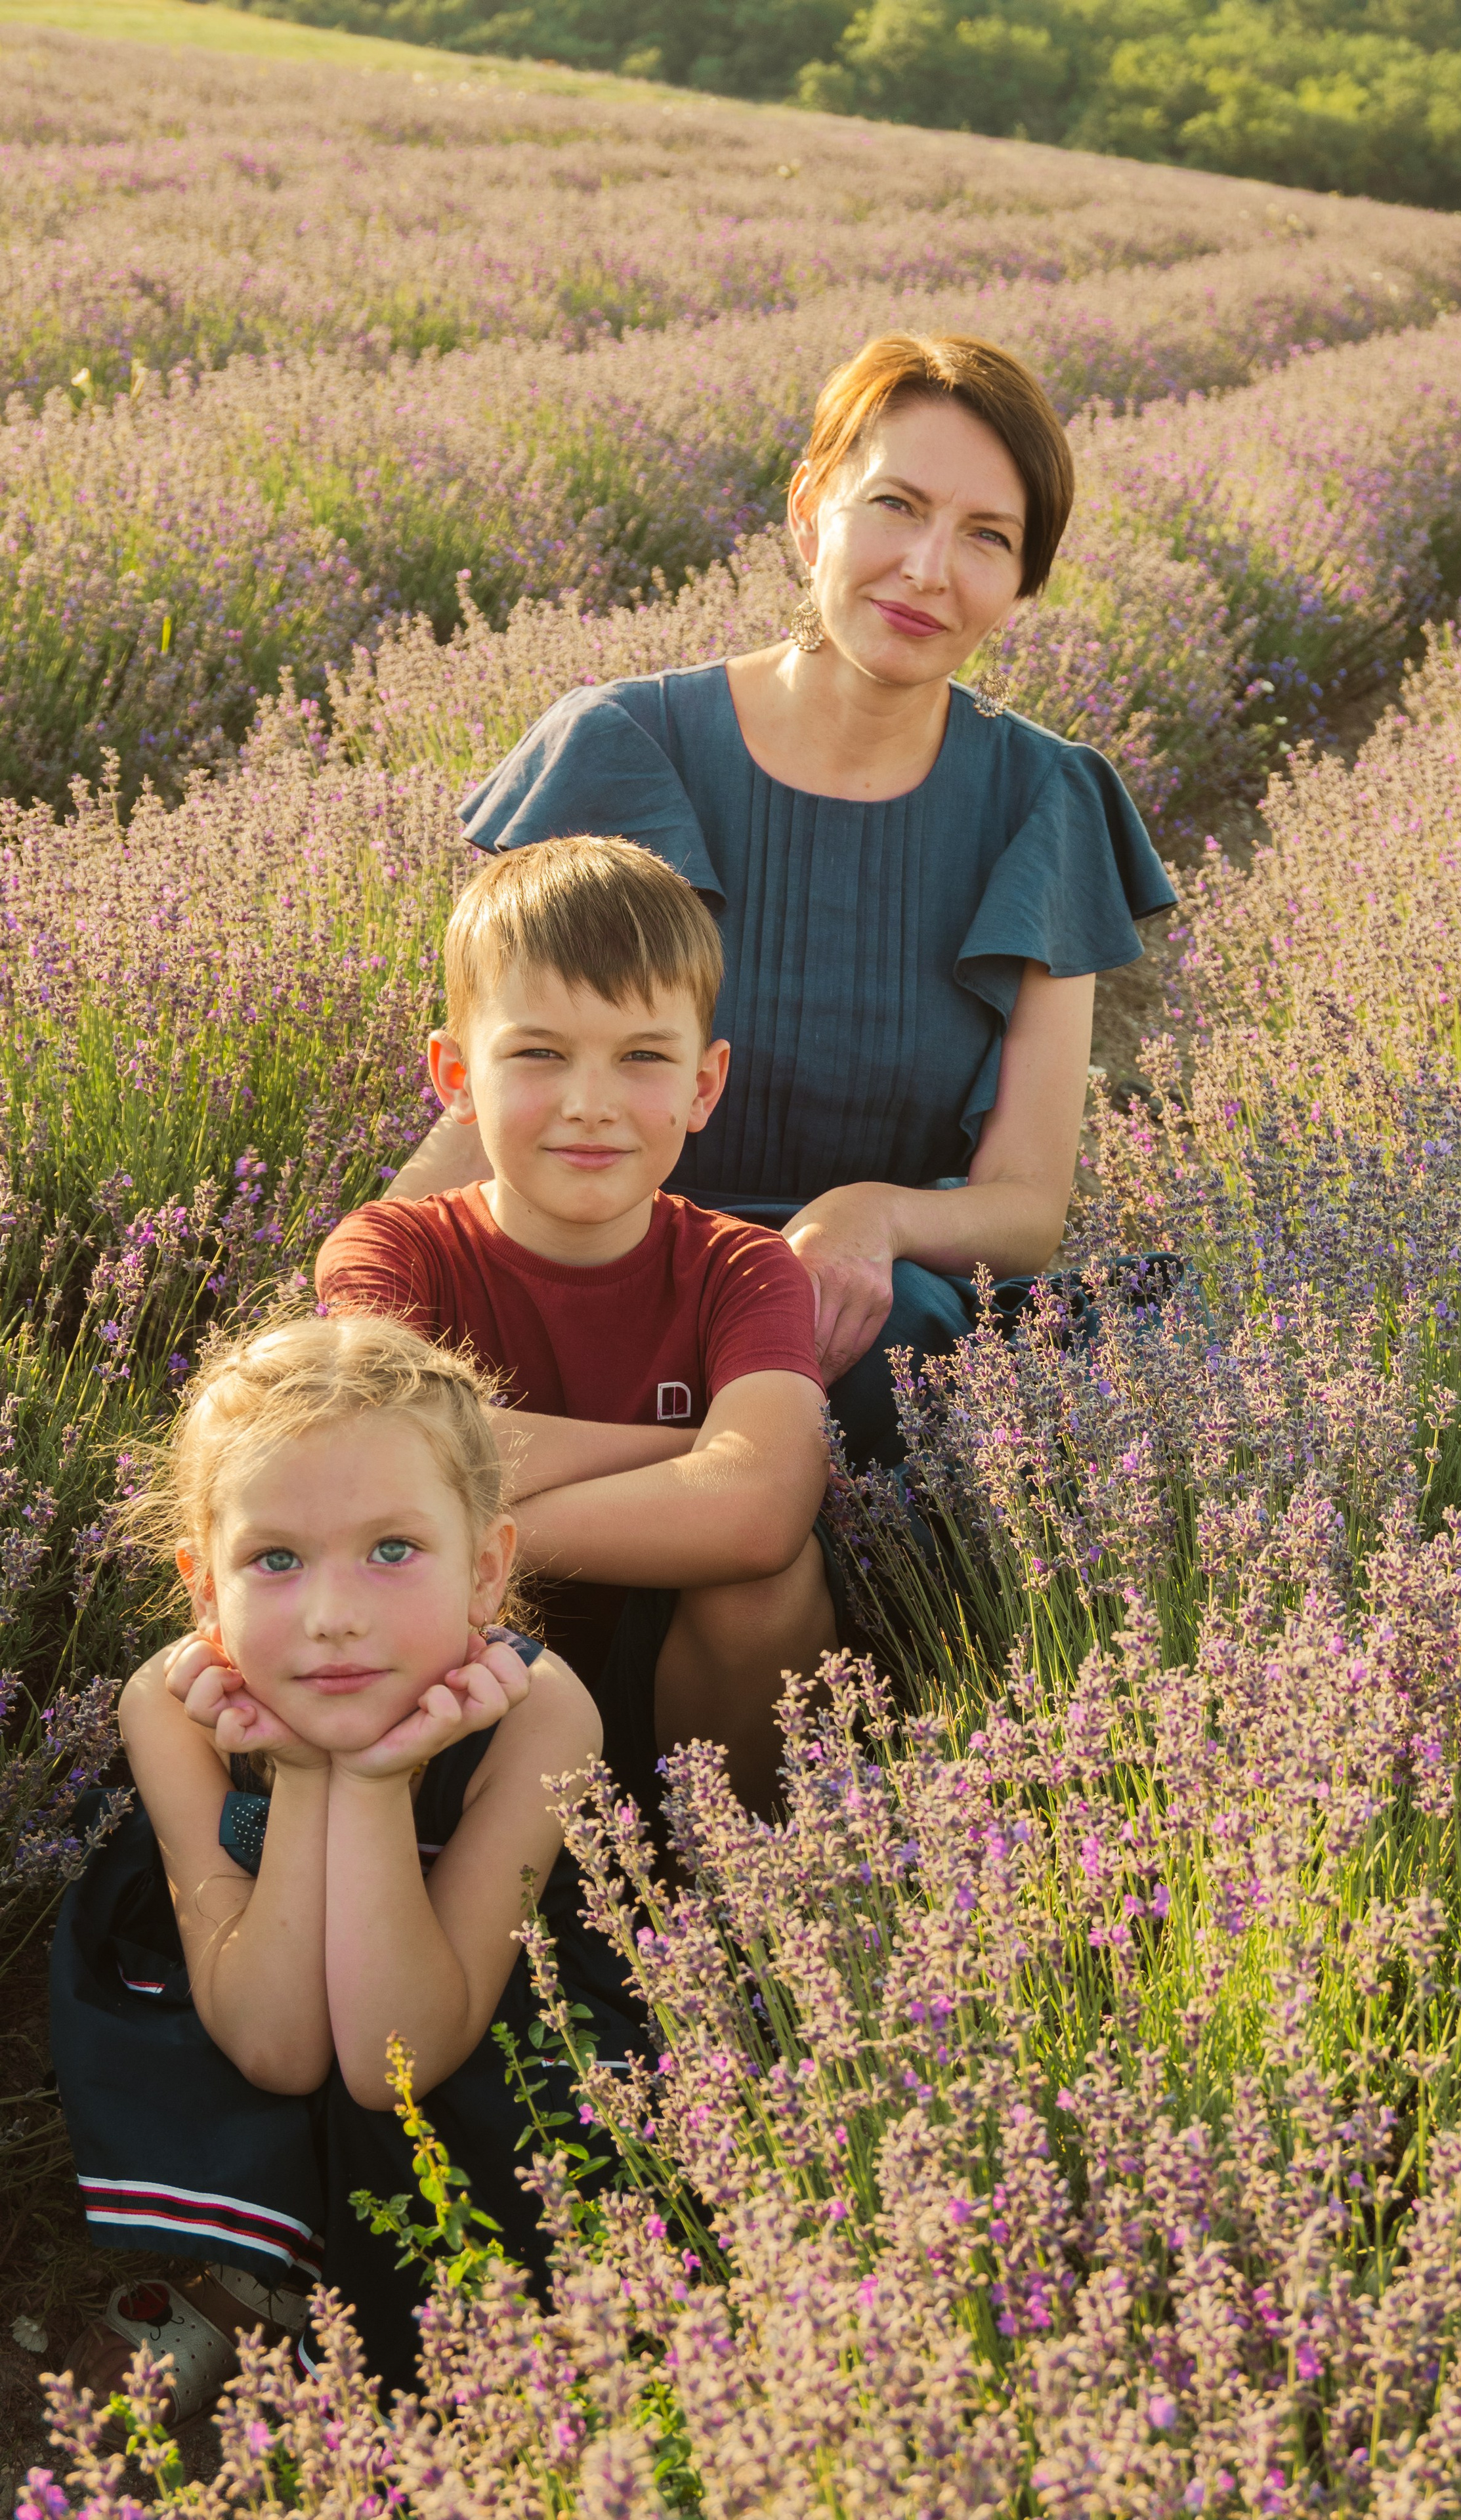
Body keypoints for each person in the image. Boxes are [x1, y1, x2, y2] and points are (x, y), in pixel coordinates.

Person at [385, 330, 1178, 1467]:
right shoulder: (625, 752)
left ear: (1021, 583)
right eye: (896, 505)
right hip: (599, 1257)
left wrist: (876, 1213)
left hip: (851, 1310)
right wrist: (369, 1285)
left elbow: (1025, 1203)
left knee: (868, 1348)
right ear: (810, 509)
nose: (927, 570)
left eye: (987, 539)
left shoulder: (1042, 801)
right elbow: (507, 1089)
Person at [51, 1312, 629, 2410]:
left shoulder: (545, 1714)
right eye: (274, 1559)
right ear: (205, 1588)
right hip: (248, 1983)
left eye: (393, 1550)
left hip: (458, 2000)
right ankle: (262, 2264)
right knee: (225, 2043)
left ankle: (319, 2283)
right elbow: (275, 2045)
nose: (332, 1619)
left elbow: (393, 2062)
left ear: (487, 1572)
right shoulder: (170, 1708)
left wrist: (369, 1782)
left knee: (485, 2096)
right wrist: (311, 1779)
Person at [315, 831, 837, 1824]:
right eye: (540, 1054)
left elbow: (763, 1510)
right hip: (450, 1668)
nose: (590, 1105)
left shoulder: (744, 1267)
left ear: (704, 1085)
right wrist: (695, 1455)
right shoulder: (392, 1252)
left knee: (768, 1582)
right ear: (457, 1076)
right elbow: (375, 1461)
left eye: (642, 1057)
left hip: (670, 1683)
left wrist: (458, 1524)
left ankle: (727, 1898)